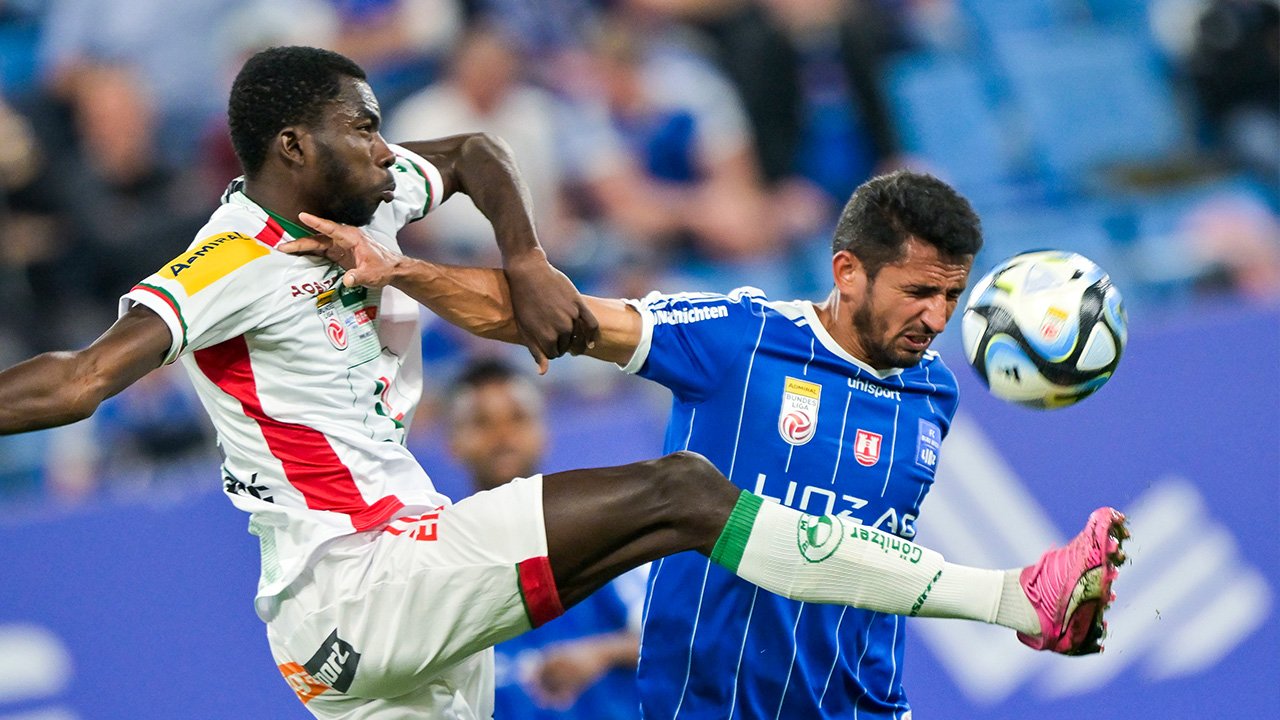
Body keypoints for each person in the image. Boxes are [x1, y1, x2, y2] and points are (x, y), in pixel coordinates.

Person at [0, 46, 1125, 719]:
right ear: (292, 146)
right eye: (363, 128)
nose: (389, 149)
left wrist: (524, 254)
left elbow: (482, 154)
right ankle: (1012, 598)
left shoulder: (371, 198)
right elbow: (74, 381)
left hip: (379, 627)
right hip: (357, 579)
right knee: (681, 493)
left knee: (675, 516)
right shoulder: (224, 262)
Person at [282, 166, 1131, 719]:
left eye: (951, 297)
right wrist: (408, 273)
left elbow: (877, 551)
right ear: (846, 271)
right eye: (918, 293)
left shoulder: (935, 389)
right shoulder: (739, 335)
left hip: (863, 706)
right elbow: (557, 318)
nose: (938, 321)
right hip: (709, 704)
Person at [446, 358, 643, 719]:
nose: (502, 436)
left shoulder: (599, 539)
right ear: (453, 441)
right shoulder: (440, 561)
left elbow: (670, 639)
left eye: (517, 418)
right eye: (481, 422)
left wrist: (600, 653)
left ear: (543, 431)